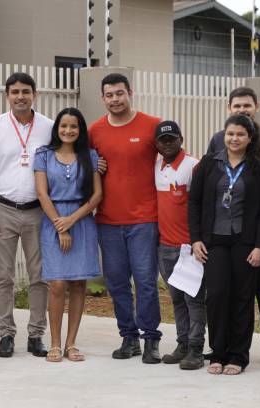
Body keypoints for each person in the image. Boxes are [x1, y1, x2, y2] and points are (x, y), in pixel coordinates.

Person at [206, 86, 260, 365]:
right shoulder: (219, 139)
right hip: (227, 232)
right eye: (237, 106)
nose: (242, 110)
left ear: (257, 107)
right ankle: (223, 345)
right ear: (229, 108)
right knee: (227, 290)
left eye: (247, 106)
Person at [188, 114, 260, 376]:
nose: (234, 139)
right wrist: (196, 239)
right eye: (230, 134)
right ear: (223, 136)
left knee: (242, 298)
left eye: (240, 135)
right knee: (216, 296)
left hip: (245, 243)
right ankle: (218, 353)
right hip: (215, 242)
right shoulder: (208, 164)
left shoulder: (259, 168)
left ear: (250, 139)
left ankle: (238, 356)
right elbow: (195, 203)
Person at [89, 73, 163, 364]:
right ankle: (128, 337)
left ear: (130, 93)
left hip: (145, 218)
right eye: (109, 95)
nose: (115, 99)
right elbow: (83, 167)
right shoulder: (94, 131)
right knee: (117, 282)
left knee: (145, 281)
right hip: (108, 219)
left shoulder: (152, 125)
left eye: (120, 93)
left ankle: (151, 339)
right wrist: (94, 165)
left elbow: (172, 159)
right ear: (102, 98)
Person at [0, 72, 52, 358]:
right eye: (14, 92)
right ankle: (6, 334)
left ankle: (36, 334)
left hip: (37, 211)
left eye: (25, 91)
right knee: (3, 277)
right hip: (3, 209)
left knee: (39, 276)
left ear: (35, 94)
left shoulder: (49, 126)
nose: (20, 96)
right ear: (7, 95)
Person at [34, 108, 103, 363]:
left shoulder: (90, 156)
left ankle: (71, 343)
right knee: (58, 283)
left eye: (74, 126)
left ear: (80, 130)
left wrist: (72, 220)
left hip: (82, 220)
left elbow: (97, 195)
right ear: (57, 128)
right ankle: (53, 342)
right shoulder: (44, 155)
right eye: (64, 126)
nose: (68, 131)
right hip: (53, 219)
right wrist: (60, 226)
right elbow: (42, 193)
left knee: (78, 283)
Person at [153, 120, 205, 370]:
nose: (168, 144)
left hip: (189, 248)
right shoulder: (156, 165)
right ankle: (183, 343)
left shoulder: (193, 166)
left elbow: (201, 207)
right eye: (163, 140)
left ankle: (196, 348)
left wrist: (198, 241)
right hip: (166, 246)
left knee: (193, 300)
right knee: (176, 299)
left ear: (181, 139)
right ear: (157, 145)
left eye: (172, 139)